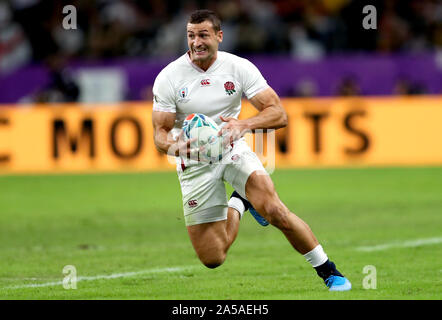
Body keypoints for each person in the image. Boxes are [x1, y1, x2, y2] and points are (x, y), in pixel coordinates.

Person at [151, 9, 351, 291]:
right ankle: (240, 202)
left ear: (219, 36)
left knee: (275, 210)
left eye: (203, 35)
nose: (196, 42)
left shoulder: (239, 68)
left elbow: (278, 114)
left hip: (232, 148)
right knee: (212, 258)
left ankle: (329, 272)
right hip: (194, 161)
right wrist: (176, 146)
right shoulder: (169, 77)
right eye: (191, 36)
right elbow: (159, 134)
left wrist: (243, 125)